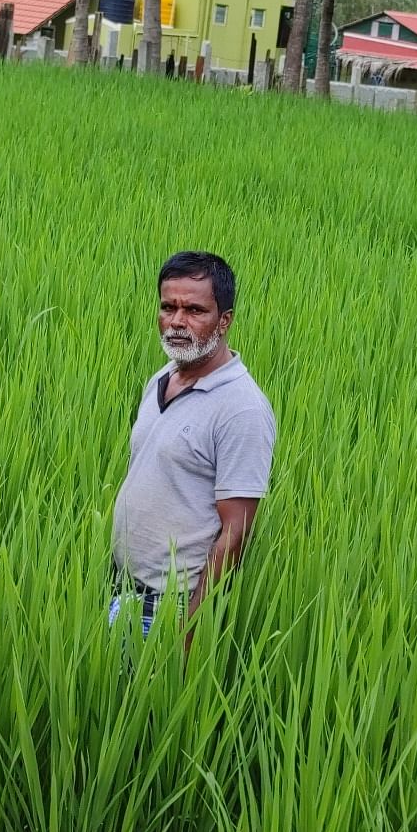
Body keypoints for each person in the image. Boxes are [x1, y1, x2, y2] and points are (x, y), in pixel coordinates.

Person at [110, 251, 277, 638]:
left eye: (194, 310)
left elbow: (236, 532)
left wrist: (190, 630)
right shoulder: (162, 378)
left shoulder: (242, 409)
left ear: (225, 320)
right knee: (111, 695)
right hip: (122, 585)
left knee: (151, 699)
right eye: (169, 307)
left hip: (171, 604)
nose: (177, 322)